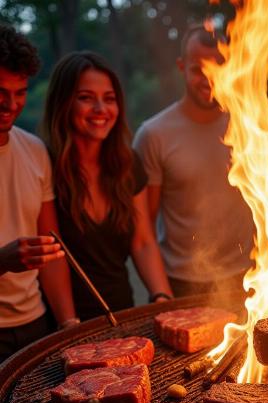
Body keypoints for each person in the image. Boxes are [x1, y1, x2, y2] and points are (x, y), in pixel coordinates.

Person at [0, 23, 73, 403]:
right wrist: (1, 259)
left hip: (32, 329)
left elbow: (50, 251)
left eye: (20, 93)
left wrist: (68, 324)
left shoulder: (32, 150)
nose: (9, 105)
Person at [41, 51, 173, 321]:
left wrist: (162, 299)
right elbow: (51, 257)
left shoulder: (128, 163)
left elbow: (143, 242)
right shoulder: (44, 163)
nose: (101, 109)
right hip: (62, 321)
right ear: (63, 103)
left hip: (120, 311)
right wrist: (69, 325)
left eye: (109, 99)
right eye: (86, 98)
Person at [133, 25, 254, 306]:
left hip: (249, 277)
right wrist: (161, 294)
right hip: (182, 282)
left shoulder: (254, 126)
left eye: (219, 67)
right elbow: (143, 231)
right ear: (181, 66)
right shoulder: (154, 134)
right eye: (199, 69)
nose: (209, 79)